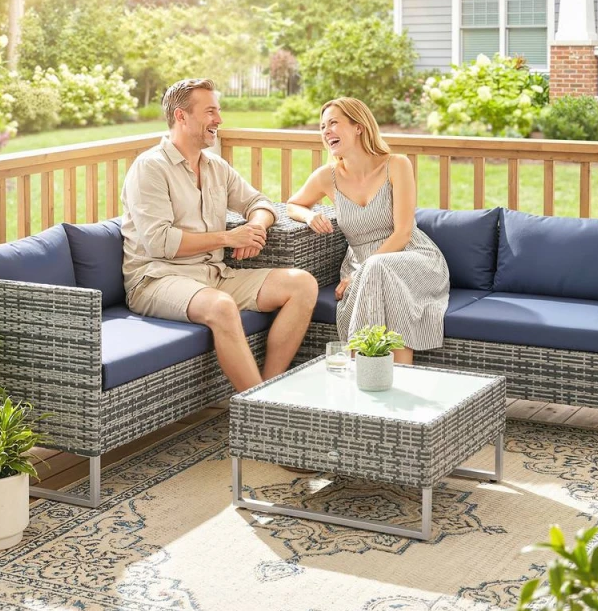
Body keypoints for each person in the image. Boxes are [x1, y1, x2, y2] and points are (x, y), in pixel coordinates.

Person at [121, 78, 318, 392]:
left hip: (214, 275)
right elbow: (159, 242)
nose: (219, 120)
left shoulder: (215, 166)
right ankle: (260, 412)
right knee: (222, 306)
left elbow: (260, 203)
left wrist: (255, 228)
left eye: (219, 111)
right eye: (210, 111)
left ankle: (268, 390)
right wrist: (228, 238)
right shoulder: (150, 168)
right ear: (181, 117)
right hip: (157, 279)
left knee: (302, 284)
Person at [286, 97, 449, 365]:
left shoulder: (396, 165)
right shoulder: (327, 177)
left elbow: (403, 233)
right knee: (380, 277)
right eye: (322, 126)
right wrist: (310, 214)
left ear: (358, 127)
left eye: (334, 123)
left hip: (412, 258)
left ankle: (357, 366)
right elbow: (292, 204)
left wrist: (360, 273)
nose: (326, 131)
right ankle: (394, 378)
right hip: (364, 265)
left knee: (377, 269)